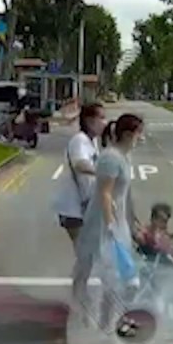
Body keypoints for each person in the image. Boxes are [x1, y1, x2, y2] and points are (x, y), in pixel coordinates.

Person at [72, 113, 146, 337]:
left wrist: (133, 223)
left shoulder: (123, 157)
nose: (141, 139)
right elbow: (104, 193)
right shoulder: (110, 158)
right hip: (103, 225)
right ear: (127, 134)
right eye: (139, 134)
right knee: (107, 275)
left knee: (120, 278)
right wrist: (111, 226)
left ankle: (111, 321)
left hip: (117, 223)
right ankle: (96, 321)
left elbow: (124, 195)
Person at [54, 103, 106, 246]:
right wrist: (102, 172)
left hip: (84, 206)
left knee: (89, 253)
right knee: (85, 253)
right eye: (101, 118)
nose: (104, 122)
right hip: (72, 209)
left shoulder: (92, 141)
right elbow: (80, 164)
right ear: (89, 121)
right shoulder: (79, 140)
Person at [135, 202, 173, 272]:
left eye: (166, 221)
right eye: (162, 221)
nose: (165, 225)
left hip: (167, 268)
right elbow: (140, 238)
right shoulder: (144, 235)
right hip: (152, 269)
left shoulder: (164, 233)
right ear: (153, 219)